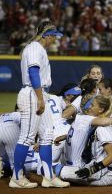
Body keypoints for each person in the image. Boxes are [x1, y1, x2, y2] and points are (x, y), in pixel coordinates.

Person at [9, 21, 70, 188]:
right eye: (54, 37)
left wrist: (43, 96)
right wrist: (40, 98)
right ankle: (16, 177)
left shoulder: (37, 48)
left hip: (39, 93)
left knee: (47, 135)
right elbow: (33, 72)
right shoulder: (35, 47)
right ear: (47, 35)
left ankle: (49, 176)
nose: (54, 40)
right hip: (32, 93)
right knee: (27, 137)